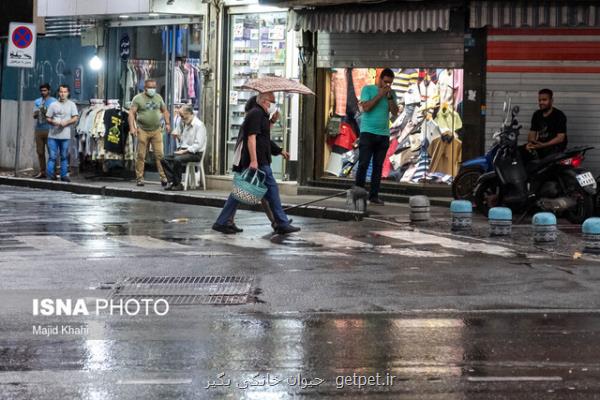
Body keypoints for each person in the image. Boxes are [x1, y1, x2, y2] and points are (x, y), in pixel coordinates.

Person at [213, 92, 300, 235]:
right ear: (265, 101)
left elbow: (263, 138)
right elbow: (251, 138)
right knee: (272, 190)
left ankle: (222, 221)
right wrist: (254, 160)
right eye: (272, 101)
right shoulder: (256, 114)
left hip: (260, 160)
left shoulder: (261, 115)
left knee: (240, 192)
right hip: (258, 161)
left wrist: (273, 125)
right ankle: (281, 223)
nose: (273, 104)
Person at [355, 68, 399, 205]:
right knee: (363, 164)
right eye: (385, 82)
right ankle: (358, 195)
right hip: (368, 133)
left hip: (383, 134)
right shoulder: (367, 89)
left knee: (378, 166)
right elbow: (366, 108)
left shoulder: (392, 93)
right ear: (380, 79)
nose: (387, 85)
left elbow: (395, 112)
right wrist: (380, 95)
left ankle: (374, 195)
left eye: (390, 83)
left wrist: (390, 97)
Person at [129, 79, 170, 187]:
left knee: (160, 155)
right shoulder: (138, 99)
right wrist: (132, 128)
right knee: (141, 155)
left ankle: (163, 177)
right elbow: (131, 113)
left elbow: (165, 110)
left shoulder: (158, 97)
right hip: (142, 130)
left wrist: (168, 123)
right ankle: (139, 178)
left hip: (156, 130)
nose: (152, 89)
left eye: (154, 87)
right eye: (150, 87)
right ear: (145, 88)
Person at [161, 105, 206, 191]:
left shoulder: (199, 125)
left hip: (195, 153)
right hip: (184, 150)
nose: (181, 118)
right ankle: (173, 182)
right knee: (164, 159)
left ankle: (177, 184)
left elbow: (198, 145)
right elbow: (183, 141)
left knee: (177, 159)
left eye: (182, 116)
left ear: (189, 114)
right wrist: (178, 137)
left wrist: (184, 151)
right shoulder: (185, 123)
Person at [45, 85, 79, 182]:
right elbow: (48, 117)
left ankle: (64, 175)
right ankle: (50, 175)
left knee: (64, 156)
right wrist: (53, 122)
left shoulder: (72, 105)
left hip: (65, 135)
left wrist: (66, 122)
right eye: (61, 92)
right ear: (58, 93)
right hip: (53, 135)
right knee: (52, 156)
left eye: (65, 92)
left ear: (68, 93)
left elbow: (75, 118)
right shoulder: (53, 105)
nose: (63, 94)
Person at [525, 88, 567, 160]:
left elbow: (560, 138)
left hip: (555, 149)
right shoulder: (537, 114)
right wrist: (531, 143)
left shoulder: (559, 115)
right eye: (539, 100)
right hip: (541, 147)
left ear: (551, 100)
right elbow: (532, 132)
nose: (541, 102)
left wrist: (544, 145)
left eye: (544, 100)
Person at [32, 84, 57, 179]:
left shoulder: (54, 101)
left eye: (45, 90)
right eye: (42, 91)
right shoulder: (37, 101)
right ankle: (42, 172)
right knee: (40, 152)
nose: (43, 92)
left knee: (51, 152)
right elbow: (34, 115)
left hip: (50, 130)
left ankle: (52, 172)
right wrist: (38, 112)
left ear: (49, 91)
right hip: (39, 129)